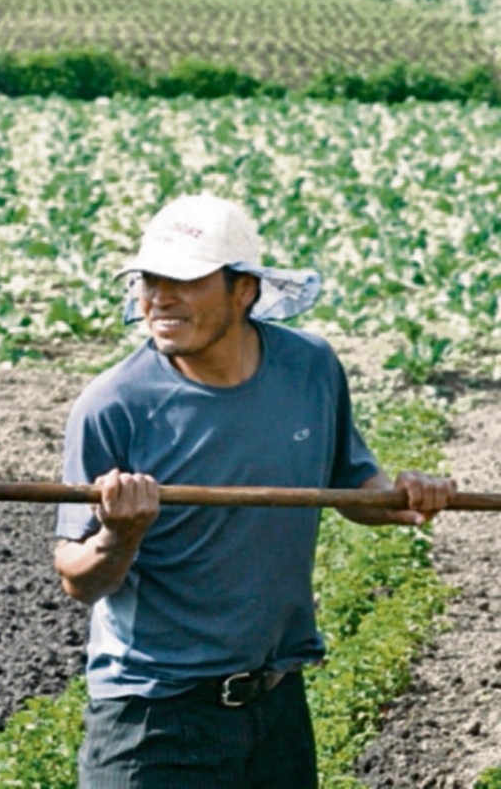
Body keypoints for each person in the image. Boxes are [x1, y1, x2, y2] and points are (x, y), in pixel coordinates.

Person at [54, 194, 456, 788]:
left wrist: (402, 499)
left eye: (184, 281)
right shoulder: (113, 405)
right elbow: (77, 578)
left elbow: (353, 484)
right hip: (153, 718)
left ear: (244, 290)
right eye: (150, 280)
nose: (159, 298)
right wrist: (119, 534)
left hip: (274, 703)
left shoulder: (310, 367)